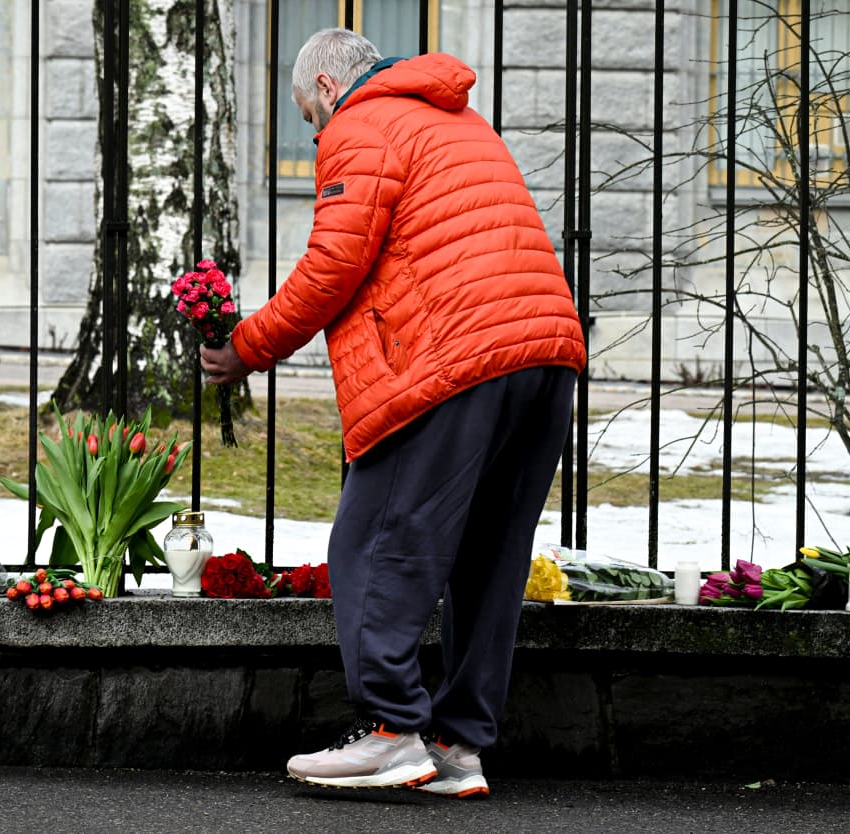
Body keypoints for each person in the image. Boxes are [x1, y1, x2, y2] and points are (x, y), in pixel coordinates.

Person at [200, 28, 586, 797]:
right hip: (544, 354)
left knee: (373, 543)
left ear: (325, 84)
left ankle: (389, 731)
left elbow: (331, 266)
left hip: (456, 359)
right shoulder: (456, 118)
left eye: (306, 109)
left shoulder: (360, 125)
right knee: (488, 556)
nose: (312, 128)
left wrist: (246, 347)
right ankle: (458, 746)